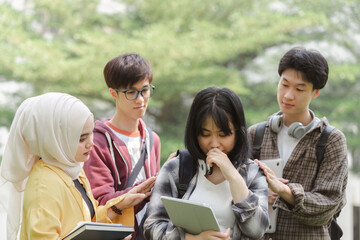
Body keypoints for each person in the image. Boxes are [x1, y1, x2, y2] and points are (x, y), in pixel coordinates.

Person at [0, 92, 155, 240]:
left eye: (91, 133)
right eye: (81, 138)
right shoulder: (43, 185)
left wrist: (120, 204)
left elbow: (86, 222)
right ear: (55, 139)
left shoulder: (72, 170)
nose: (91, 143)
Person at [143, 87, 269, 239]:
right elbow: (151, 228)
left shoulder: (253, 173)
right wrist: (191, 238)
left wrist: (234, 177)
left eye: (223, 135)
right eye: (205, 134)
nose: (214, 144)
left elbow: (258, 230)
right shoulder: (175, 169)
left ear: (238, 132)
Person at [248, 47, 348, 239]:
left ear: (315, 92)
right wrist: (258, 194)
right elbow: (232, 192)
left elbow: (327, 205)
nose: (288, 95)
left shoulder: (331, 141)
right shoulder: (255, 134)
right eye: (284, 85)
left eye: (299, 89)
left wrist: (283, 191)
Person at [83, 53, 161, 239]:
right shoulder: (97, 141)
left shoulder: (152, 139)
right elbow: (101, 202)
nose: (141, 100)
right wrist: (151, 185)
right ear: (113, 93)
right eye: (131, 92)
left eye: (145, 90)